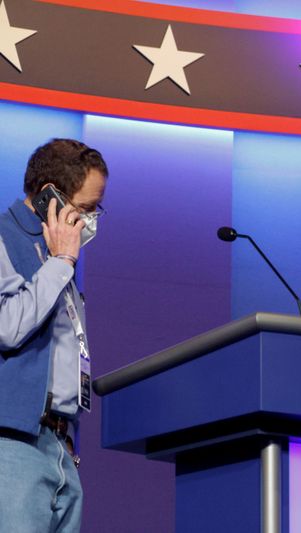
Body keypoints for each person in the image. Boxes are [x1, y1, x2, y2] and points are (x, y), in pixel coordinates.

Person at [0, 139, 108, 532]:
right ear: (50, 196)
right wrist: (62, 261)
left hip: (60, 447)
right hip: (12, 445)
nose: (92, 220)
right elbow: (7, 326)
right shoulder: (4, 238)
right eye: (86, 209)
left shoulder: (57, 254)